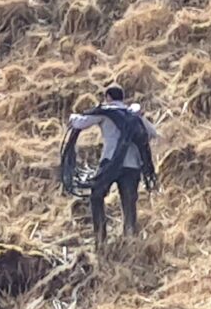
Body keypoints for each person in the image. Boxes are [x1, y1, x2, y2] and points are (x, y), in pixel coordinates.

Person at [67, 84, 158, 248]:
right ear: (122, 98)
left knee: (96, 196)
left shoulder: (106, 112)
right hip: (132, 165)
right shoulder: (133, 115)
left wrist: (72, 117)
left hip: (110, 163)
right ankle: (130, 238)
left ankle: (100, 239)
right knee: (129, 202)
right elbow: (153, 133)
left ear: (108, 97)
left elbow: (80, 123)